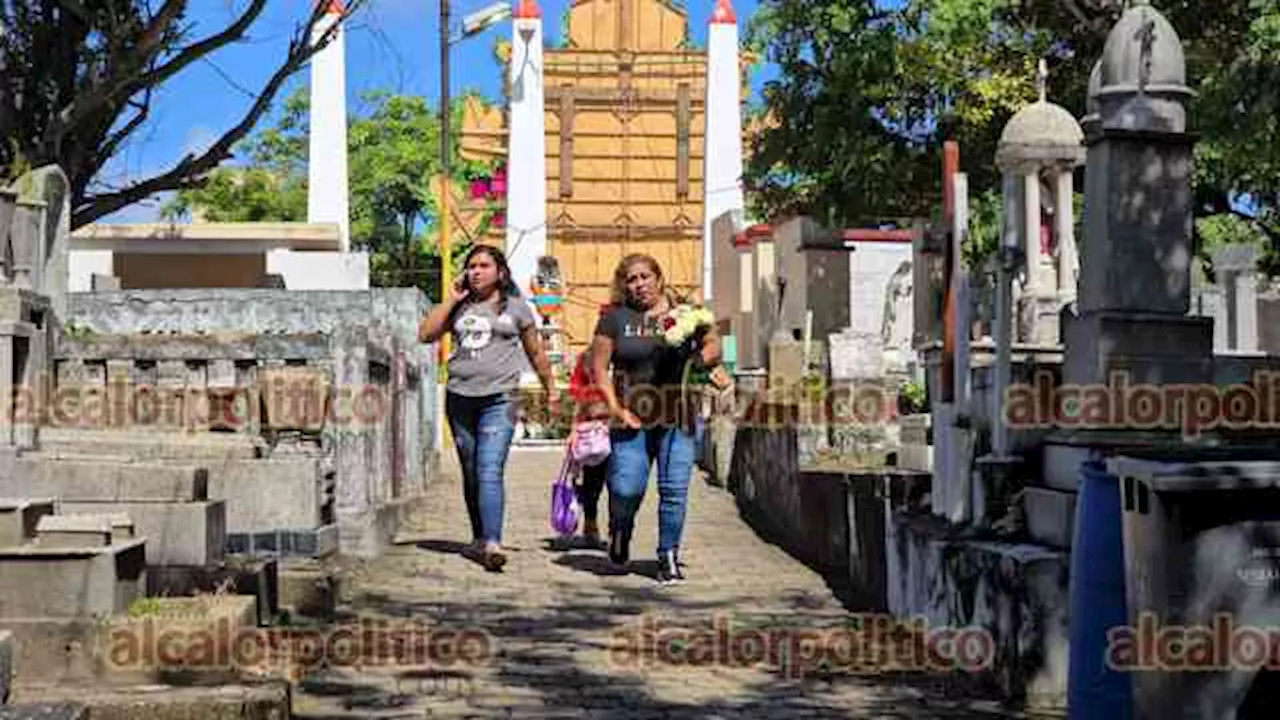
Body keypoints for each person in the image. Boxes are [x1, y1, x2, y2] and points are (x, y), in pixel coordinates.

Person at [419, 245, 558, 571]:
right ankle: (479, 537)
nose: (476, 271)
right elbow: (426, 334)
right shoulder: (460, 305)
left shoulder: (518, 308)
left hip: (501, 398)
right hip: (459, 398)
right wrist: (452, 298)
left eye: (484, 266)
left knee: (489, 468)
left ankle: (493, 542)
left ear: (500, 272)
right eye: (471, 266)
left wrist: (550, 387)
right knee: (470, 470)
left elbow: (536, 353)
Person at [590, 254, 720, 584]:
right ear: (624, 285)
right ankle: (620, 530)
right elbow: (598, 367)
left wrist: (700, 358)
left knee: (674, 489)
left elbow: (714, 345)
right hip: (631, 416)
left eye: (645, 277)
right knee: (625, 488)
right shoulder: (614, 319)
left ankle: (668, 555)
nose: (639, 284)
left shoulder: (686, 314)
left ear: (659, 279)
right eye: (631, 279)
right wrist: (615, 409)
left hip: (679, 415)